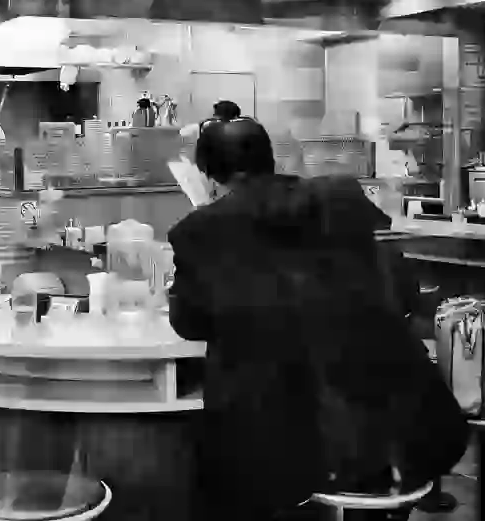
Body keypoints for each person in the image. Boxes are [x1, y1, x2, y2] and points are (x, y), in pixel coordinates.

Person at [168, 118, 469, 520]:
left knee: (213, 463)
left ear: (207, 175)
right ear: (270, 160)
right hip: (405, 428)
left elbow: (189, 323)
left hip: (289, 449)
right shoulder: (341, 197)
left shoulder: (201, 230)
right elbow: (402, 293)